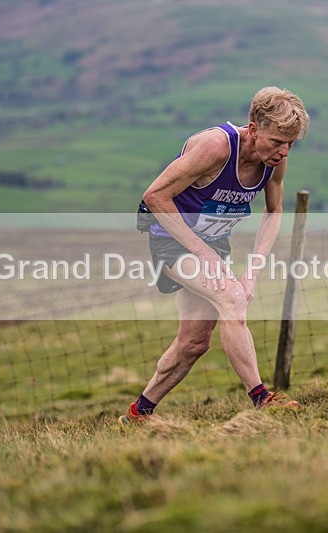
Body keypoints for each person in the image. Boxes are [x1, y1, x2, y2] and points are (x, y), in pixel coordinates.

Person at [119, 87, 309, 424]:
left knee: (193, 343)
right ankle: (263, 400)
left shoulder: (274, 160)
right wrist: (204, 254)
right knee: (232, 298)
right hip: (172, 238)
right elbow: (154, 197)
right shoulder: (216, 147)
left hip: (213, 244)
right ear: (254, 128)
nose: (284, 151)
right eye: (278, 141)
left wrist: (252, 271)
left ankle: (137, 414)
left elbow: (274, 211)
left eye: (291, 143)